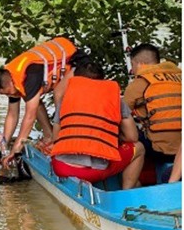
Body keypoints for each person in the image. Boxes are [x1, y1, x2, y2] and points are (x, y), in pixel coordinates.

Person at [50, 60, 145, 190]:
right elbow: (132, 137)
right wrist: (114, 139)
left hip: (63, 167)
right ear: (102, 81)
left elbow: (56, 137)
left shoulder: (66, 99)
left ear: (75, 79)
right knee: (139, 148)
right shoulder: (114, 99)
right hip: (94, 172)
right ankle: (126, 191)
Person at [0, 37, 82, 163]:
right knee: (33, 100)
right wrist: (2, 146)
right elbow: (12, 115)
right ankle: (49, 136)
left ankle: (58, 141)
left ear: (9, 82)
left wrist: (15, 150)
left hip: (79, 63)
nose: (10, 95)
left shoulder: (29, 76)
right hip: (64, 65)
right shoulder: (10, 80)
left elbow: (29, 117)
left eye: (8, 92)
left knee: (58, 95)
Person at [123, 43, 182, 183]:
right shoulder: (180, 77)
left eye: (133, 65)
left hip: (159, 150)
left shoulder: (139, 84)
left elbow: (119, 114)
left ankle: (132, 185)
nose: (132, 69)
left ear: (140, 64)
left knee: (127, 138)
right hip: (183, 147)